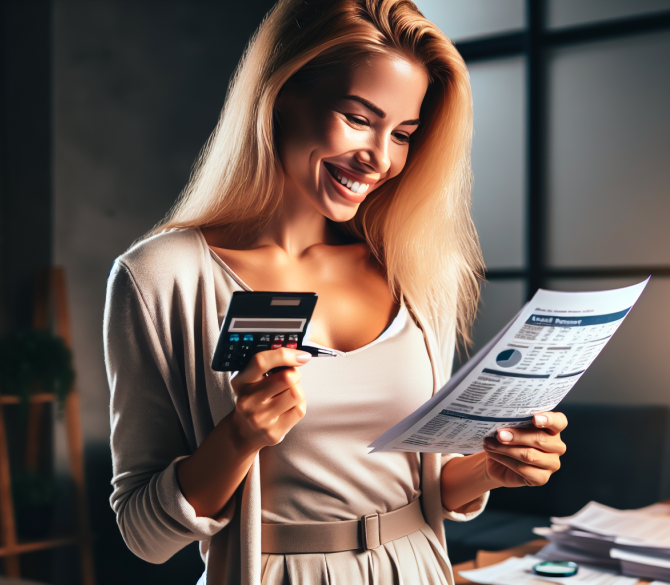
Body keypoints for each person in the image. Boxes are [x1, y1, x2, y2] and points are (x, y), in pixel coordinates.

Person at [104, 1, 567, 583]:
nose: (378, 158)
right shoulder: (161, 278)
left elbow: (423, 485)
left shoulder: (415, 269)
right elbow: (144, 536)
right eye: (357, 118)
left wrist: (494, 468)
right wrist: (239, 437)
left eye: (402, 134)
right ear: (281, 95)